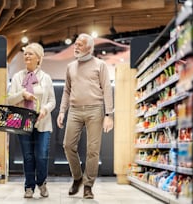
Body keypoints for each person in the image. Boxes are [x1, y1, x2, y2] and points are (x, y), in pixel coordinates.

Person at [57, 33, 114, 199]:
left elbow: (107, 89)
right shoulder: (70, 67)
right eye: (75, 44)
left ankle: (88, 185)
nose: (75, 47)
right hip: (74, 110)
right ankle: (77, 178)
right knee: (68, 145)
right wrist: (62, 111)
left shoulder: (100, 65)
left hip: (95, 109)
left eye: (79, 45)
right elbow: (67, 91)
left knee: (93, 150)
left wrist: (109, 114)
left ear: (89, 48)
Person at [7, 43, 56, 198]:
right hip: (23, 121)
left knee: (41, 155)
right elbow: (9, 99)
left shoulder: (46, 78)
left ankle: (41, 182)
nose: (26, 56)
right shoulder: (17, 77)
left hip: (43, 122)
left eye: (30, 54)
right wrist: (23, 94)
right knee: (28, 156)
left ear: (39, 58)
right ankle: (29, 186)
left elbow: (52, 101)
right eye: (25, 53)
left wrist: (45, 110)